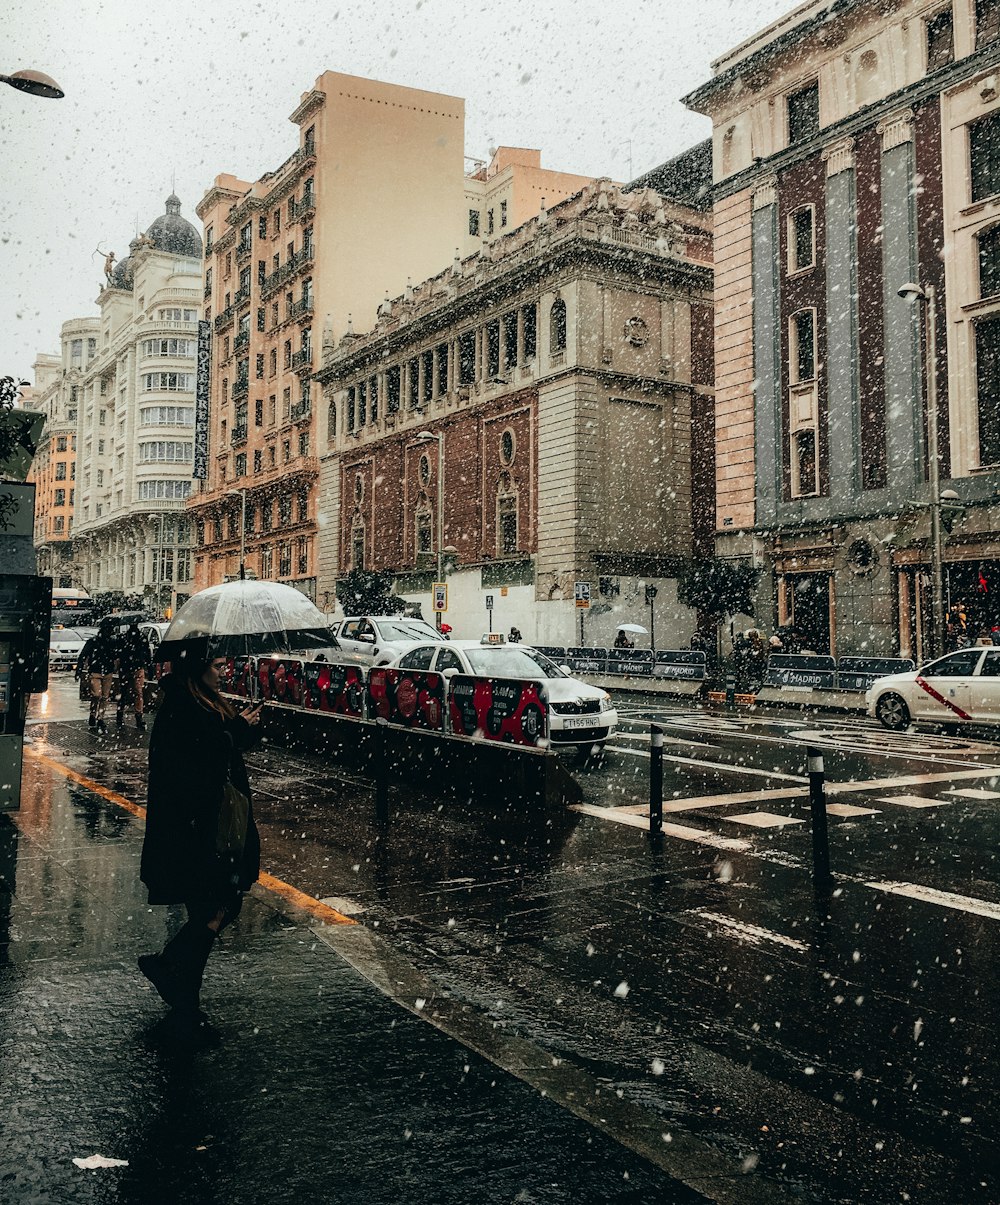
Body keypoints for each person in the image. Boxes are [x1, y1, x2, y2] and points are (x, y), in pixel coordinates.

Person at [138, 646, 262, 1017]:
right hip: (194, 826)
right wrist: (235, 731)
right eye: (219, 666)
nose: (225, 673)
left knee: (213, 906)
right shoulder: (182, 705)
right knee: (217, 904)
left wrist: (246, 727)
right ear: (198, 667)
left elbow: (225, 747)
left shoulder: (206, 700)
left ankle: (180, 987)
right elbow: (198, 760)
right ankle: (175, 979)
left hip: (207, 822)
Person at [86, 620, 119, 733]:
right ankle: (93, 713)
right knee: (96, 694)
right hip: (96, 671)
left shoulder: (112, 642)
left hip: (107, 672)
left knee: (104, 696)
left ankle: (100, 717)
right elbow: (84, 654)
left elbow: (116, 655)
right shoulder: (93, 641)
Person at [117, 621, 151, 730]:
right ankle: (138, 717)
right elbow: (147, 653)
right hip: (135, 667)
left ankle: (121, 714)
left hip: (127, 668)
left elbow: (119, 652)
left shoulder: (124, 638)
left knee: (126, 692)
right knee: (138, 693)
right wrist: (149, 667)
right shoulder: (141, 637)